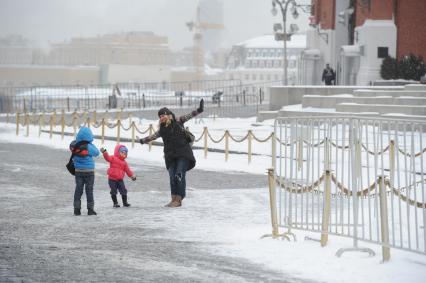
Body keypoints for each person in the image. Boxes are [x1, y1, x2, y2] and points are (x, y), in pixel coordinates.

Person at [138, 99, 204, 208]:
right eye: (160, 116)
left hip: (183, 153)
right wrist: (142, 140)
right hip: (170, 156)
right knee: (172, 177)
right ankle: (173, 199)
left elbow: (190, 115)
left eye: (163, 115)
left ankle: (179, 199)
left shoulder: (178, 121)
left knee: (179, 174)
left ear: (168, 115)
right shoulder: (162, 129)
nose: (162, 118)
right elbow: (153, 136)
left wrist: (199, 110)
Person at [70, 126, 100, 216]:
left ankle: (76, 209)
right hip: (89, 171)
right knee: (89, 190)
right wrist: (91, 144)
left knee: (78, 190)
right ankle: (90, 210)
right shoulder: (89, 146)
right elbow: (97, 153)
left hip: (78, 171)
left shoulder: (75, 145)